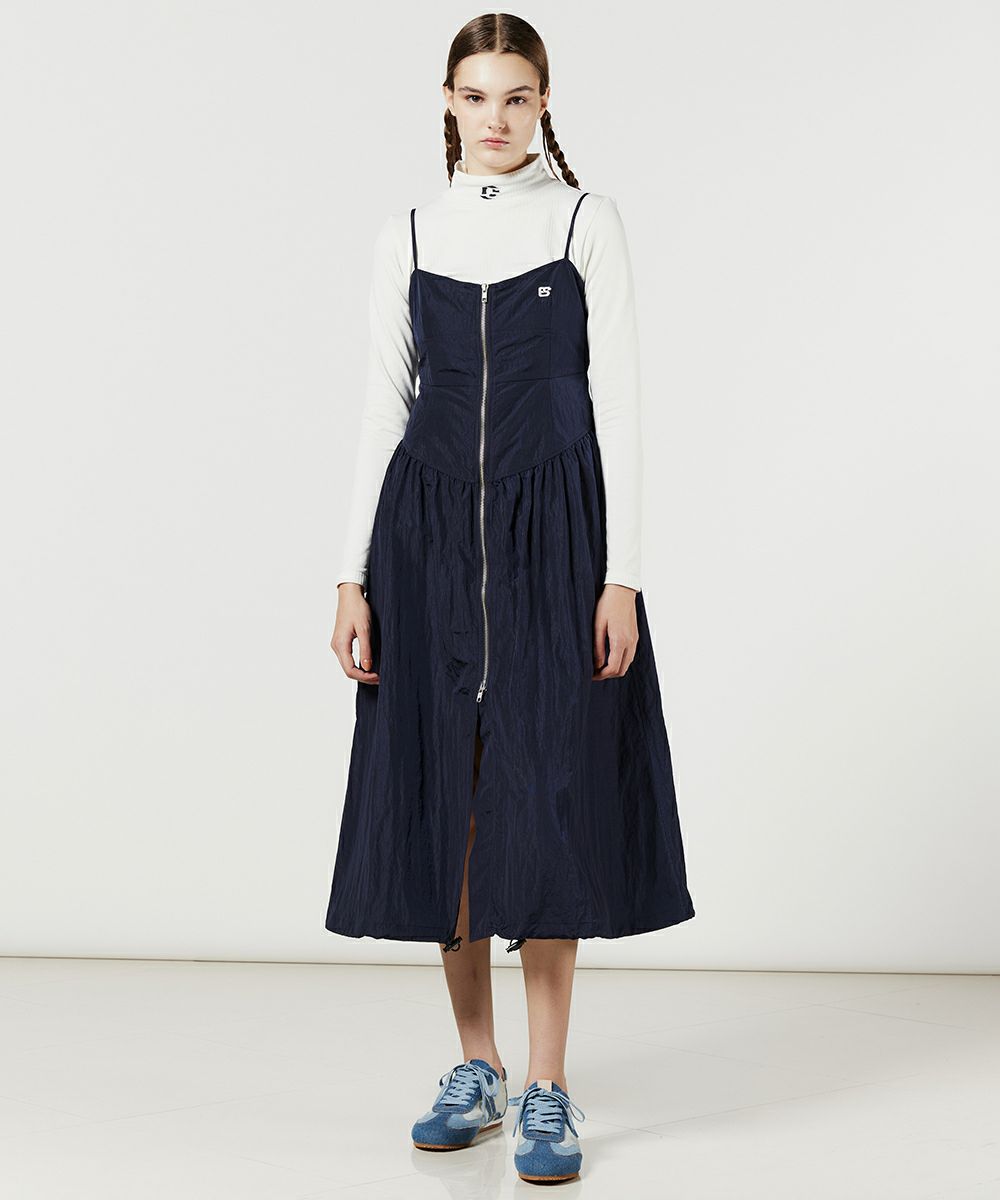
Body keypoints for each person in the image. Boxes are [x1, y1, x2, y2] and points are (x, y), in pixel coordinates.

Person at [325, 13, 695, 1185]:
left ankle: (546, 1084)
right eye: (477, 96)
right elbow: (382, 407)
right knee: (449, 798)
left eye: (517, 97)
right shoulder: (409, 232)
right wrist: (350, 574)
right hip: (425, 540)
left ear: (543, 104)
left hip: (556, 539)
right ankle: (475, 1065)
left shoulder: (584, 221)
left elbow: (621, 401)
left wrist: (622, 574)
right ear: (447, 100)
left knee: (547, 795)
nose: (496, 117)